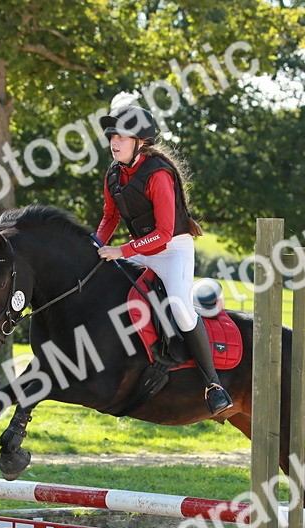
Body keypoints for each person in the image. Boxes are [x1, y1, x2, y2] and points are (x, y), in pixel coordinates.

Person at [94, 104, 233, 416]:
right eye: (112, 136)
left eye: (122, 137)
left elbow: (163, 233)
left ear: (140, 141)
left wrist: (121, 251)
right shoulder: (114, 175)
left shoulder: (157, 174)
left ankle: (213, 385)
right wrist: (95, 246)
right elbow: (109, 217)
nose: (114, 142)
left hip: (172, 250)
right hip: (141, 249)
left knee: (181, 310)